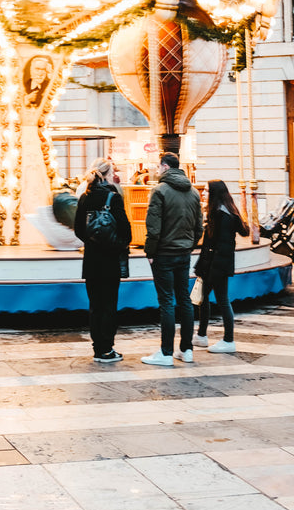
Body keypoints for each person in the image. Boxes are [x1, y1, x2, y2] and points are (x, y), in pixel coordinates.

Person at [141, 152, 203, 367]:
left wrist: (150, 252)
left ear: (165, 167)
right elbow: (199, 227)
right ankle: (187, 350)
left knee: (166, 301)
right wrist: (189, 245)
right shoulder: (193, 192)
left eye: (158, 167)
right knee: (184, 299)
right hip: (183, 253)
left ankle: (166, 352)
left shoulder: (159, 191)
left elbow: (153, 227)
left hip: (164, 254)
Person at [74, 157, 132, 363]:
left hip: (91, 260)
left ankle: (97, 347)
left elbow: (79, 229)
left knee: (95, 305)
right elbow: (126, 230)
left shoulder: (84, 197)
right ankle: (107, 349)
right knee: (109, 304)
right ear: (107, 175)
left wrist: (93, 242)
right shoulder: (113, 197)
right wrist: (116, 243)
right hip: (110, 261)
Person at [193, 180, 250, 353]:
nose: (203, 193)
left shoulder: (222, 215)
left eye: (207, 191)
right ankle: (202, 335)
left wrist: (212, 269)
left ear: (215, 194)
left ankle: (228, 340)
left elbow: (222, 245)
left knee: (222, 300)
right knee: (203, 297)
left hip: (217, 265)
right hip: (213, 263)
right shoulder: (221, 211)